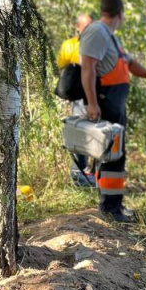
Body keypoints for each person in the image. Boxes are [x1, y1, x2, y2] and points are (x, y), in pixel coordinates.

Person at [80, 0, 146, 222]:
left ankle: (113, 205)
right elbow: (88, 69)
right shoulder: (96, 32)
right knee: (112, 155)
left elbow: (129, 63)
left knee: (115, 154)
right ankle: (111, 209)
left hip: (116, 103)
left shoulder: (111, 36)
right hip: (105, 101)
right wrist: (93, 103)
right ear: (121, 13)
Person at [57, 12, 94, 187]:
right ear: (78, 27)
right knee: (80, 134)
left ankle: (94, 175)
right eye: (87, 26)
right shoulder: (70, 45)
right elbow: (63, 69)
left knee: (98, 136)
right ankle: (80, 176)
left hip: (97, 96)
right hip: (80, 98)